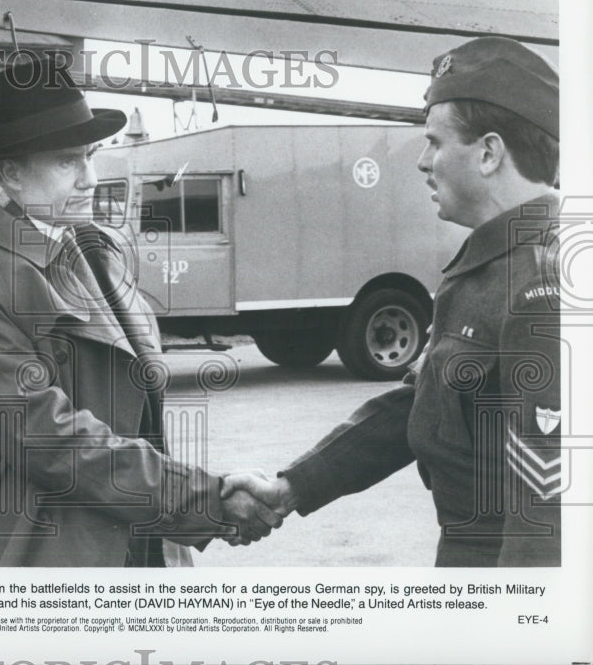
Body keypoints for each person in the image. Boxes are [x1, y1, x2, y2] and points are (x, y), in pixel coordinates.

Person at [0, 54, 281, 567]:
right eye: (67, 161)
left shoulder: (96, 250)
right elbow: (52, 441)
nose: (90, 179)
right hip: (41, 552)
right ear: (11, 173)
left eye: (91, 155)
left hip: (136, 533)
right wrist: (206, 498)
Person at [225, 36, 561, 567]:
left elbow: (548, 506)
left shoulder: (545, 280)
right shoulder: (488, 264)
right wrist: (291, 487)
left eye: (435, 143)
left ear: (489, 152)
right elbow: (419, 401)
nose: (423, 162)